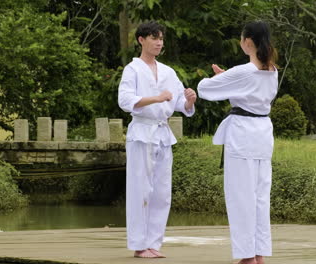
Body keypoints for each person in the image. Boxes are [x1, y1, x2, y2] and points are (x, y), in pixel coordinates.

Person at [197, 21, 278, 264]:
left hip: (243, 135)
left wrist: (224, 80)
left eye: (242, 39)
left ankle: (246, 257)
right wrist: (229, 81)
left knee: (241, 197)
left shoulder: (244, 70)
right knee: (260, 197)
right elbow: (249, 95)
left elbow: (204, 88)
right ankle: (258, 253)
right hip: (262, 135)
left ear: (248, 42)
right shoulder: (272, 71)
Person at [118, 21, 197, 259]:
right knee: (140, 190)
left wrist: (190, 100)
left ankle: (154, 243)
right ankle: (139, 245)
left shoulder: (168, 72)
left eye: (161, 38)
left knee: (162, 193)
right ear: (141, 40)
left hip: (162, 135)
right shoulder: (132, 70)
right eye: (154, 37)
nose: (159, 42)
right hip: (142, 133)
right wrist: (156, 98)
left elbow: (179, 104)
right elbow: (125, 101)